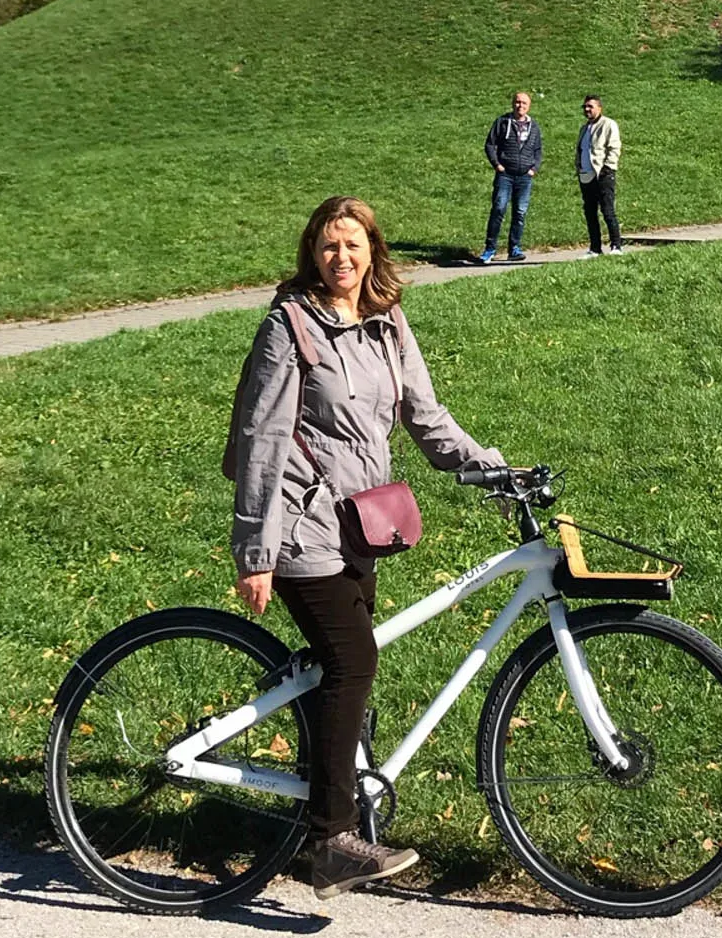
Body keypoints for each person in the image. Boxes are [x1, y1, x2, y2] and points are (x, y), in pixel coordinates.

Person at [230, 196, 505, 897]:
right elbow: (261, 440)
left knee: (339, 669)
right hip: (300, 525)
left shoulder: (386, 322)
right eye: (329, 246)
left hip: (358, 526)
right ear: (312, 254)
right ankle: (331, 842)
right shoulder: (290, 326)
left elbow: (425, 417)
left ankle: (328, 796)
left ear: (373, 251)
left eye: (352, 244)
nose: (341, 258)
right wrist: (256, 551)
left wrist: (494, 471)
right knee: (353, 660)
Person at [480, 91, 543, 264]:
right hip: (505, 175)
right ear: (512, 103)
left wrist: (534, 168)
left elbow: (538, 150)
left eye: (524, 103)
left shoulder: (534, 126)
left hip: (524, 176)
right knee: (499, 209)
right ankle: (490, 249)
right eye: (517, 102)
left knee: (520, 212)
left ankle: (514, 248)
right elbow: (490, 144)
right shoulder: (502, 122)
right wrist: (497, 165)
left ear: (529, 106)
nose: (520, 106)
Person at [575, 94, 623, 256]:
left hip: (603, 175)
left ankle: (616, 246)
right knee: (590, 212)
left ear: (599, 108)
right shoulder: (584, 129)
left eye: (590, 106)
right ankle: (595, 248)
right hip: (586, 175)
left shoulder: (608, 124)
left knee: (607, 210)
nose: (587, 109)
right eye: (585, 107)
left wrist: (607, 168)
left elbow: (614, 147)